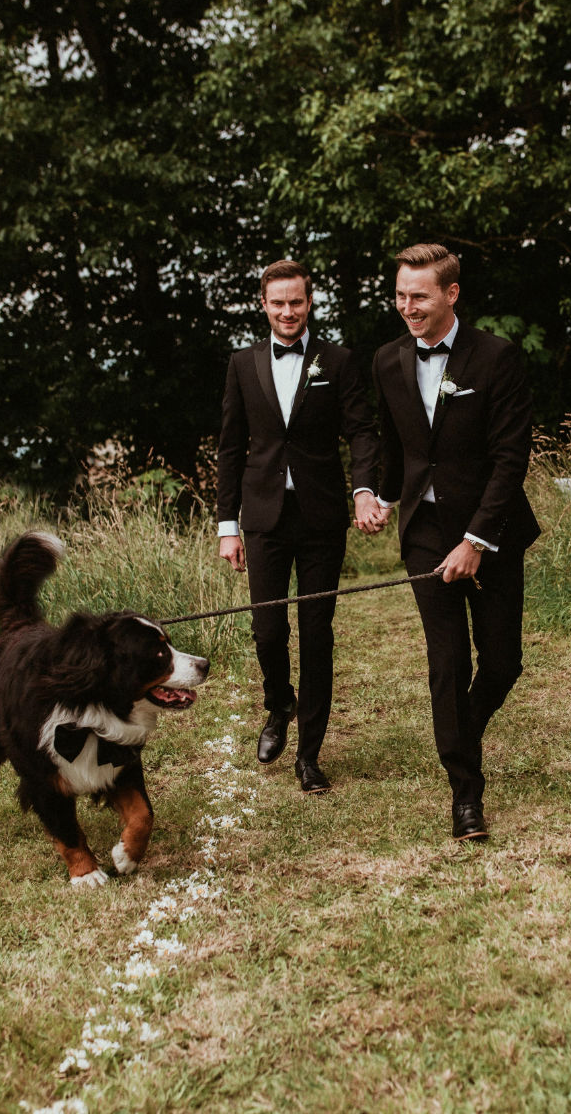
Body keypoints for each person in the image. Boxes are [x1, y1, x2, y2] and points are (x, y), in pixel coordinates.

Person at [369, 243, 540, 841]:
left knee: (502, 663)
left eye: (418, 295)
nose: (407, 307)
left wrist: (476, 541)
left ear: (451, 294)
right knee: (447, 661)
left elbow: (510, 458)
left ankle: (461, 731)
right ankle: (465, 792)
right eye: (399, 295)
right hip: (424, 534)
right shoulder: (388, 360)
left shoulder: (496, 358)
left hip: (490, 532)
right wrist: (377, 495)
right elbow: (396, 447)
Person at [217, 259, 383, 793]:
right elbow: (230, 448)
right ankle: (278, 702)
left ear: (310, 304)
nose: (288, 312)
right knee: (268, 629)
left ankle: (309, 754)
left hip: (320, 518)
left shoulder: (338, 360)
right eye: (278, 303)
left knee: (316, 633)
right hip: (262, 517)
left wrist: (364, 492)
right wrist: (227, 526)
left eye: (297, 302)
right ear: (263, 305)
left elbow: (361, 432)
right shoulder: (243, 364)